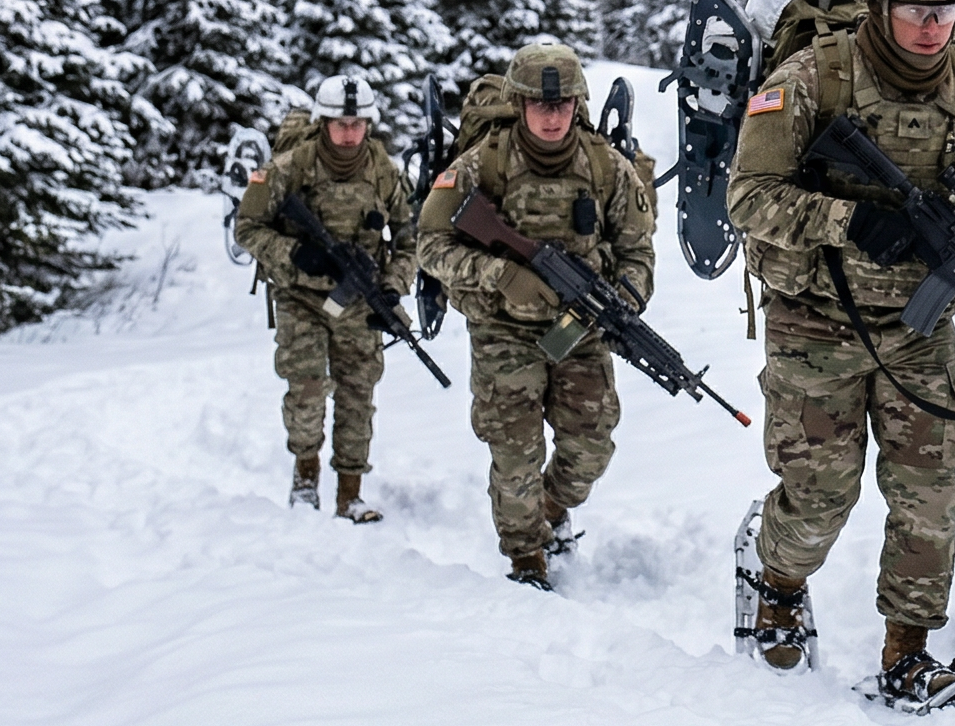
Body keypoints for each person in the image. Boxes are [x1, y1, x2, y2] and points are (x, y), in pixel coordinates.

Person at [726, 0, 955, 706]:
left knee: (930, 492)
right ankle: (778, 580)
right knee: (820, 494)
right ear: (875, 1)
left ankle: (908, 649)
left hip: (920, 332)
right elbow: (749, 197)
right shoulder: (806, 81)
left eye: (948, 10)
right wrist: (847, 221)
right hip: (814, 322)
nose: (933, 26)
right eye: (915, 9)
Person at [416, 43, 656, 589]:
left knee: (591, 447)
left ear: (577, 105)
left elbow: (639, 251)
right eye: (541, 106)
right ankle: (526, 558)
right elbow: (430, 246)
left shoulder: (606, 167)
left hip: (579, 328)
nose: (553, 117)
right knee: (515, 451)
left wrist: (624, 298)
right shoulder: (482, 165)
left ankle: (550, 509)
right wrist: (501, 275)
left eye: (564, 105)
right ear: (520, 104)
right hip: (503, 330)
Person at [234, 70, 418, 522]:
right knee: (308, 388)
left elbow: (411, 239)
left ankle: (349, 493)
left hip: (359, 299)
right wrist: (294, 253)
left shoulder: (384, 171)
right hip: (300, 298)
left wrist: (393, 286)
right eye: (341, 124)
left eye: (358, 125)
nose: (350, 133)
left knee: (358, 395)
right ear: (323, 122)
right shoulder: (287, 169)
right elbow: (247, 228)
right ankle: (305, 475)